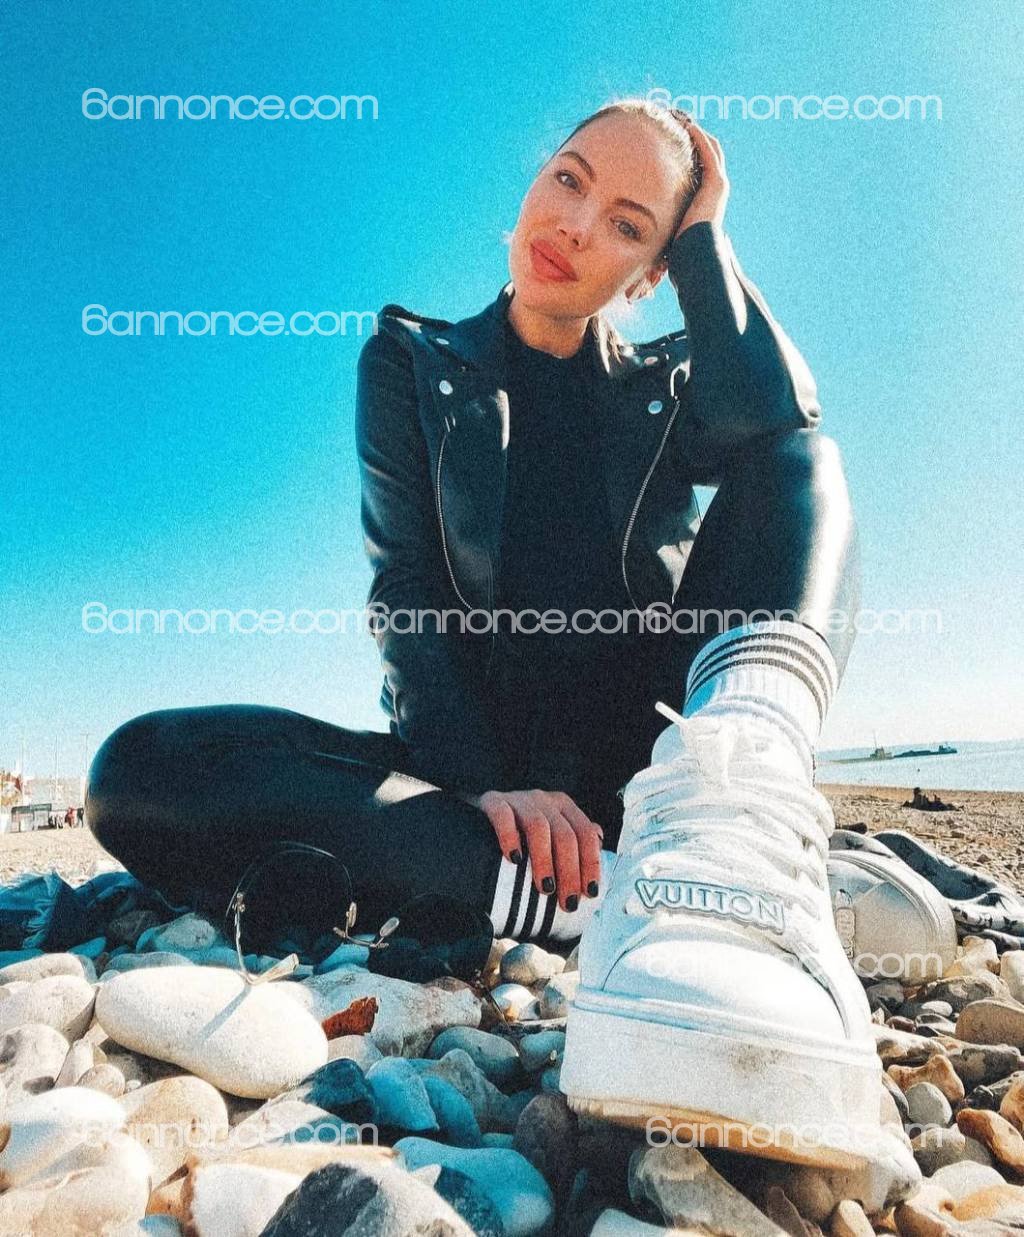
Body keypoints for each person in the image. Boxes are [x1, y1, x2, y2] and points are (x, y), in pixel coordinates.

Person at [85, 99, 878, 1166]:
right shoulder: (413, 361)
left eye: (629, 224)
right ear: (534, 178)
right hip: (470, 783)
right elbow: (404, 589)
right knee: (139, 766)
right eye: (569, 178)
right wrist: (483, 784)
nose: (575, 225)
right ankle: (600, 898)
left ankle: (714, 840)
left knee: (802, 460)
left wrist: (706, 240)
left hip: (650, 772)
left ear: (650, 271)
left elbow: (782, 421)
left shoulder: (675, 382)